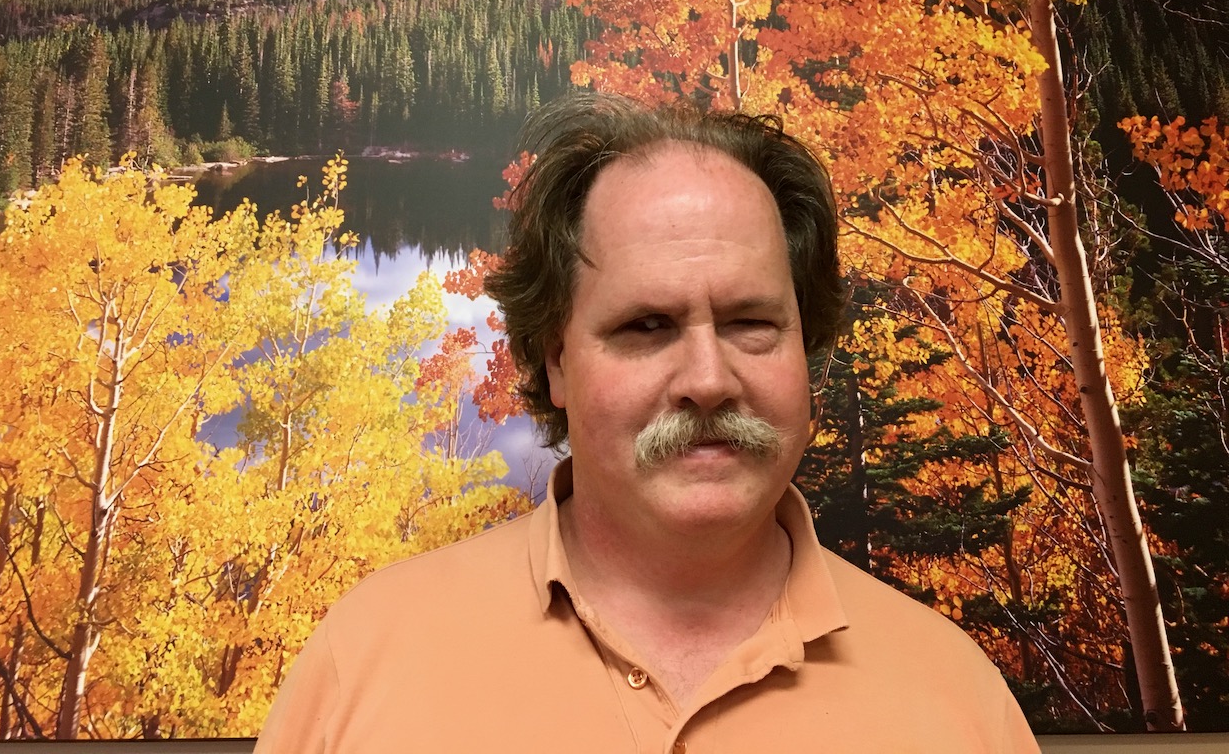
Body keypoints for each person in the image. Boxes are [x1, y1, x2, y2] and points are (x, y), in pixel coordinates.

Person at [255, 95, 1041, 753]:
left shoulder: (956, 701)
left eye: (751, 322)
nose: (707, 380)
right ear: (555, 361)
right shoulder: (367, 663)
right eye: (646, 326)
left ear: (808, 351)